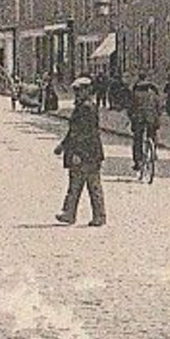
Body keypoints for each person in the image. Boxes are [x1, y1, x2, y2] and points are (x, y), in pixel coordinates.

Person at [54, 75, 106, 226]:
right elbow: (73, 132)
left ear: (87, 91)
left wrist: (78, 153)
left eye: (79, 91)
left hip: (87, 153)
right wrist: (62, 146)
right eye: (76, 91)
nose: (77, 94)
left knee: (89, 184)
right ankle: (72, 213)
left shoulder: (86, 108)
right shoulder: (83, 107)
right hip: (89, 152)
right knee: (79, 184)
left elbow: (84, 134)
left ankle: (95, 216)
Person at [127, 72, 162, 173]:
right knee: (152, 134)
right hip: (151, 119)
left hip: (139, 120)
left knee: (137, 139)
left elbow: (130, 108)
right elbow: (159, 108)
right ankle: (153, 151)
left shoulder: (135, 95)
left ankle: (137, 161)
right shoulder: (153, 95)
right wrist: (157, 116)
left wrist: (131, 118)